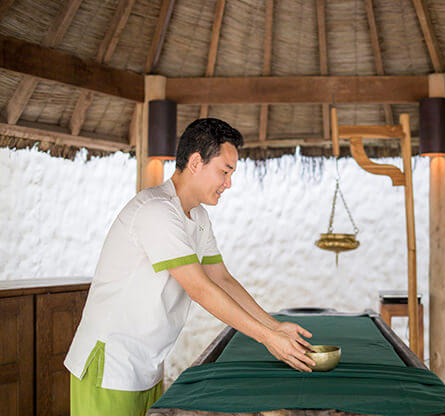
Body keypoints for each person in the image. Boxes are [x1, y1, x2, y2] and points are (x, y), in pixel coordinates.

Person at [64, 118, 315, 416]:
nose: (228, 183)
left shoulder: (198, 217)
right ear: (196, 162)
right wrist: (267, 338)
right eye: (225, 171)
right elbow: (200, 289)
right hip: (110, 364)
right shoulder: (156, 210)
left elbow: (222, 280)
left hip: (146, 364)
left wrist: (274, 326)